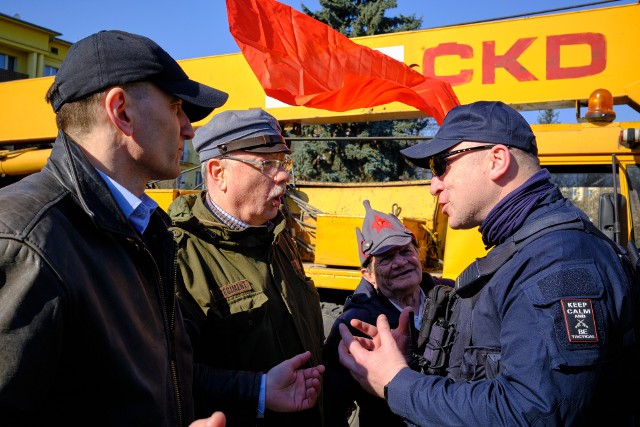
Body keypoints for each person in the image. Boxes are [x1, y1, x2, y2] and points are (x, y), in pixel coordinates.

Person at [0, 30, 322, 426]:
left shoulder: (141, 232)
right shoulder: (26, 241)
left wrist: (253, 391)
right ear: (121, 111)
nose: (189, 130)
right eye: (176, 108)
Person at [337, 101, 638, 426]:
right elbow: (486, 372)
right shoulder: (531, 254)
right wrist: (414, 362)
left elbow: (532, 414)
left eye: (441, 165)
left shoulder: (560, 262)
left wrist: (398, 383)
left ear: (496, 160)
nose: (433, 185)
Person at [168, 108, 325, 426]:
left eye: (282, 162)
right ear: (218, 173)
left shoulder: (277, 235)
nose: (282, 175)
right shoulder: (179, 255)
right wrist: (260, 391)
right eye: (266, 163)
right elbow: (169, 373)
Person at [322, 200, 453, 426]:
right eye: (387, 258)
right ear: (368, 275)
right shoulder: (354, 324)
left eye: (405, 251)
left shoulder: (452, 296)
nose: (401, 262)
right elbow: (331, 403)